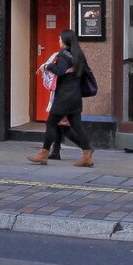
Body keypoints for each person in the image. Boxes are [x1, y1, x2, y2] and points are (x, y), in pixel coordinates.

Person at [30, 29, 96, 167]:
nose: (59, 41)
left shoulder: (63, 55)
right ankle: (87, 155)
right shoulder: (79, 55)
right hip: (75, 96)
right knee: (77, 126)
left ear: (65, 40)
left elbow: (59, 71)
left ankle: (43, 154)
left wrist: (49, 65)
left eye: (60, 39)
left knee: (51, 124)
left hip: (63, 97)